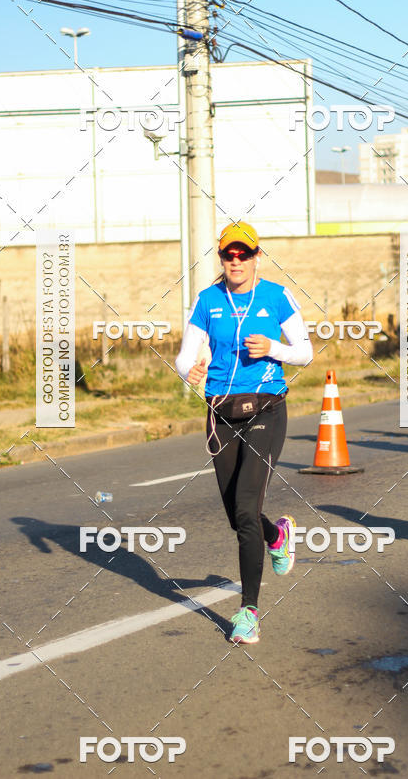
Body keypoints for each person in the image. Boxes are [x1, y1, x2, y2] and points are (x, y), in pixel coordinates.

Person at [175, 221, 313, 644]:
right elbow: (183, 357)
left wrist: (273, 349)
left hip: (266, 408)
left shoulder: (275, 296)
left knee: (247, 506)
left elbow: (305, 352)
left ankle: (248, 612)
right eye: (228, 255)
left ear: (256, 257)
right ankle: (277, 535)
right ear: (221, 258)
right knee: (239, 515)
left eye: (243, 254)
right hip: (221, 410)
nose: (235, 261)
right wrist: (191, 371)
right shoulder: (207, 300)